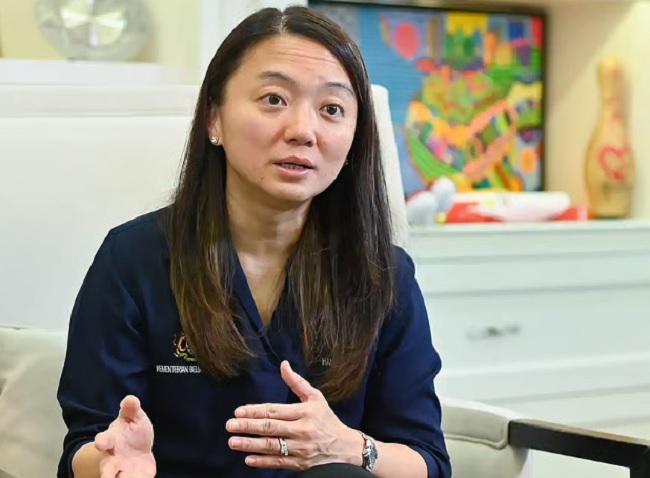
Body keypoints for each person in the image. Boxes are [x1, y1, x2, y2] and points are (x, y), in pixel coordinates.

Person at [56, 5, 451, 478]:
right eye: (273, 99)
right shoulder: (134, 259)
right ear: (214, 119)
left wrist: (352, 447)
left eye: (331, 109)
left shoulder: (382, 274)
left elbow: (428, 461)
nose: (303, 131)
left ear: (353, 139)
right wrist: (112, 459)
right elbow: (86, 442)